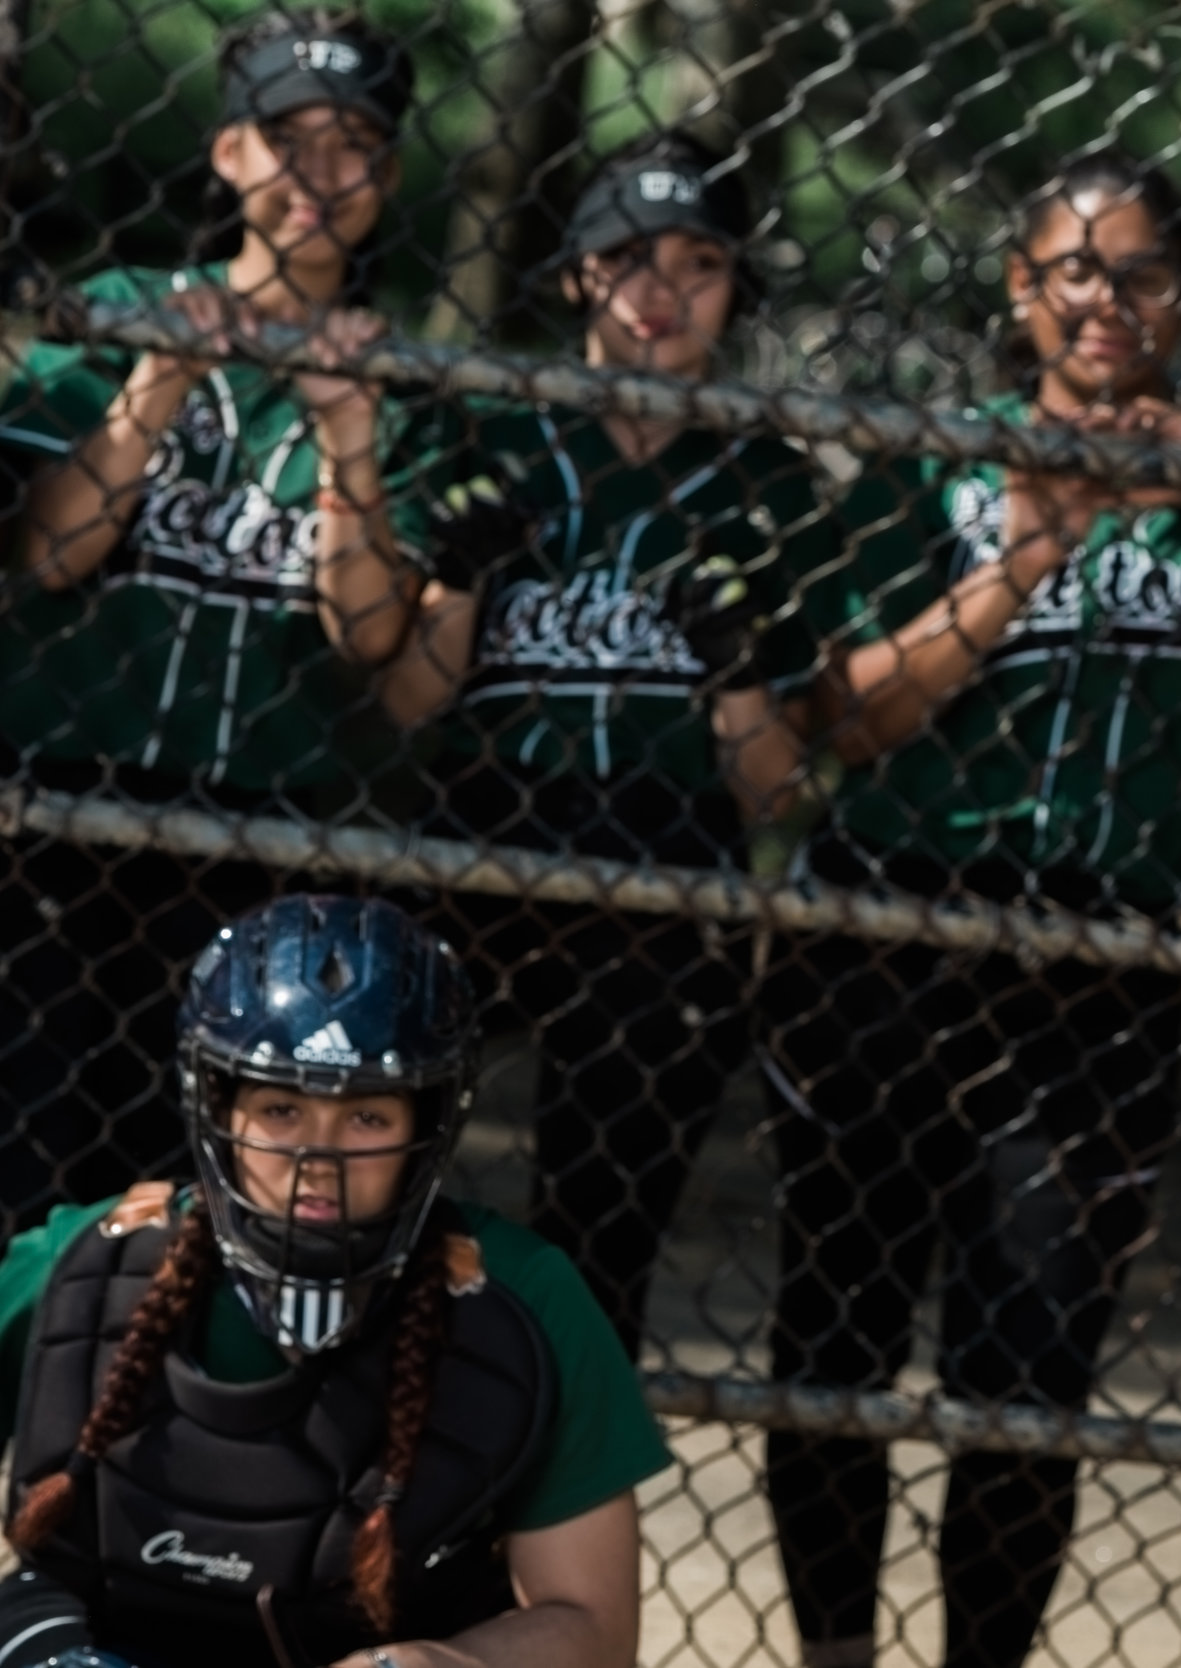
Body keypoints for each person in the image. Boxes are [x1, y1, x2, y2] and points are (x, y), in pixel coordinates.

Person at [756, 153, 1181, 1668]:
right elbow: (843, 722)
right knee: (840, 1337)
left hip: (1103, 948)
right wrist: (1025, 557)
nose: (1105, 300)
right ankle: (830, 1655)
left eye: (1140, 272)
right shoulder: (937, 459)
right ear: (1023, 290)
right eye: (1073, 269)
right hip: (895, 917)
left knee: (1033, 1366)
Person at [373, 130, 826, 1360]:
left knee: (597, 1251)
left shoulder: (770, 478)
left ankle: (548, 1485)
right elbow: (408, 702)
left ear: (736, 287)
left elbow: (780, 784)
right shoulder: (492, 428)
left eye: (699, 262)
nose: (660, 291)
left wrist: (734, 667)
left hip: (667, 845)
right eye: (626, 258)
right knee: (375, 1196)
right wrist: (459, 582)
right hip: (482, 817)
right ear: (576, 274)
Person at [0, 8, 433, 1236]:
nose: (317, 172)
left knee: (184, 1200)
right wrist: (153, 391)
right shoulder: (119, 311)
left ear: (387, 175)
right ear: (229, 154)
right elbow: (50, 554)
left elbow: (370, 639)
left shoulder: (404, 380)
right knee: (24, 1172)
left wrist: (351, 441)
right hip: (54, 804)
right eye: (285, 137)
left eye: (353, 143)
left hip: (257, 832)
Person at [0, 894, 669, 1668]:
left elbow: (591, 1622)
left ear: (428, 1122)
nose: (319, 1161)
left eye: (367, 1119)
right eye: (282, 1108)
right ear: (218, 1105)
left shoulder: (516, 1299)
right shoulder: (90, 1267)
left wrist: (427, 1667)